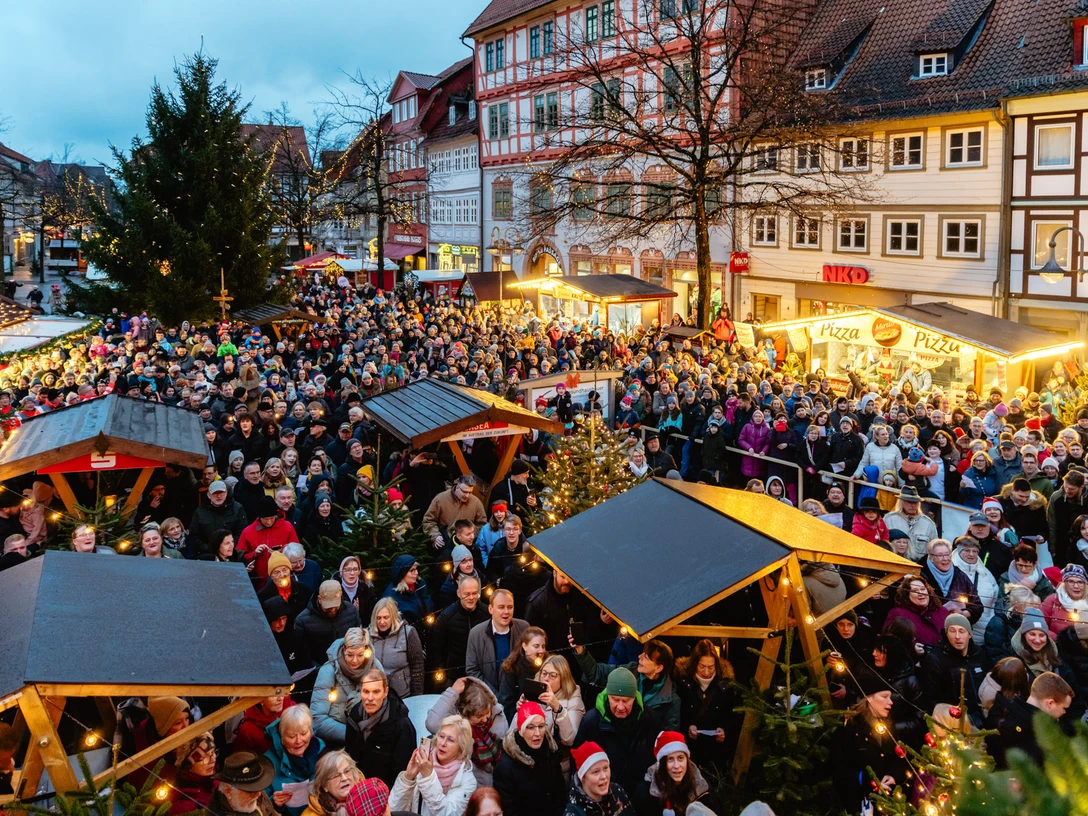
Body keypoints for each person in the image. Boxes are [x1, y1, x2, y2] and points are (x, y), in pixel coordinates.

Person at [574, 667, 664, 796]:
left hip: (642, 795)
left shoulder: (651, 720)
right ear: (607, 696)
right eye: (615, 700)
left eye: (626, 701)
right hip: (606, 795)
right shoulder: (591, 722)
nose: (620, 706)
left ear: (634, 697)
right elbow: (578, 765)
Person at [831, 676, 905, 815]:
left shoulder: (889, 726)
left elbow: (899, 757)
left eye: (890, 697)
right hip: (861, 804)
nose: (890, 702)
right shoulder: (851, 728)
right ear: (869, 698)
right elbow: (840, 771)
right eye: (884, 696)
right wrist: (868, 781)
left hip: (889, 803)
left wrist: (893, 774)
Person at [573, 637, 681, 730]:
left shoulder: (671, 700)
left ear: (658, 668)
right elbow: (597, 672)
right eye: (642, 653)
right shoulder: (630, 670)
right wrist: (580, 650)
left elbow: (669, 736)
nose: (639, 656)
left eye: (646, 657)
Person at [425, 676, 510, 786]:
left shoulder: (497, 714)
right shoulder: (458, 726)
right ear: (466, 715)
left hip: (497, 781)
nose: (485, 719)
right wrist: (452, 692)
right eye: (479, 716)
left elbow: (507, 747)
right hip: (468, 784)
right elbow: (432, 724)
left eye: (487, 713)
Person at [389, 715, 478, 816]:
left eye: (451, 740)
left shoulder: (467, 780)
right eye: (441, 736)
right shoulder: (424, 763)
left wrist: (428, 777)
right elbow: (393, 810)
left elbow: (449, 813)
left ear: (461, 747)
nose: (443, 743)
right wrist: (408, 778)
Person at [310, 628, 384, 747]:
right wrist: (354, 735)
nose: (355, 660)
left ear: (366, 650)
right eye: (350, 655)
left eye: (360, 655)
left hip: (371, 741)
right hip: (336, 745)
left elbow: (385, 705)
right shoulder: (328, 670)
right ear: (344, 649)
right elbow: (317, 719)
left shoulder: (375, 667)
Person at [344, 668, 416, 789]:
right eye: (366, 691)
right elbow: (350, 758)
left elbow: (403, 774)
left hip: (388, 794)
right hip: (359, 789)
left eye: (376, 692)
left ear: (385, 692)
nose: (370, 698)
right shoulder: (354, 716)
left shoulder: (401, 725)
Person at [493, 702, 566, 816]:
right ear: (521, 730)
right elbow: (509, 809)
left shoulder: (551, 752)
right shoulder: (506, 767)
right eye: (530, 727)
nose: (537, 733)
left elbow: (560, 792)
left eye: (541, 726)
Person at [988, 671, 1073, 769]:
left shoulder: (1002, 710)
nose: (1064, 712)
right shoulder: (1041, 736)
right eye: (1064, 708)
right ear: (1050, 703)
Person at [919, 614, 986, 724]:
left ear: (969, 634)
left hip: (979, 717)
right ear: (946, 633)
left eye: (961, 631)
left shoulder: (978, 653)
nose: (957, 636)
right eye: (952, 631)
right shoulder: (935, 659)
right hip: (952, 721)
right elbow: (931, 698)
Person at [634, 731, 720, 816]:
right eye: (670, 759)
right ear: (662, 764)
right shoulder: (647, 791)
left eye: (680, 758)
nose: (676, 766)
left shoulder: (701, 787)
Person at [430, 575, 489, 688]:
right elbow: (436, 648)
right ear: (459, 593)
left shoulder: (487, 613)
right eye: (467, 594)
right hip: (455, 675)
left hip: (482, 674)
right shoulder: (446, 617)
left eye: (474, 593)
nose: (471, 597)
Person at [264, 706, 324, 816]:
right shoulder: (268, 763)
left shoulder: (321, 750)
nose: (299, 741)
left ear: (311, 732)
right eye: (292, 736)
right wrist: (273, 802)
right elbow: (259, 804)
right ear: (282, 737)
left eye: (303, 733)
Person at [466, 589, 529, 692]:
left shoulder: (524, 628)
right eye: (501, 607)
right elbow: (472, 671)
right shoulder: (476, 634)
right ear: (491, 609)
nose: (506, 612)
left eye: (510, 607)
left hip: (519, 697)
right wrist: (492, 695)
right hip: (488, 699)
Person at [294, 580, 363, 667]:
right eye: (329, 607)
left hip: (349, 667)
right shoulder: (303, 621)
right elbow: (303, 656)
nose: (333, 609)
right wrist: (322, 670)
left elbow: (358, 640)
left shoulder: (351, 611)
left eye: (335, 606)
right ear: (319, 599)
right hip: (319, 671)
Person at [237, 495, 300, 589]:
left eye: (272, 518)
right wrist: (254, 554)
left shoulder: (287, 527)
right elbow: (238, 556)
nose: (269, 522)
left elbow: (297, 552)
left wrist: (282, 552)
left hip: (284, 578)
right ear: (259, 517)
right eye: (265, 519)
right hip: (258, 581)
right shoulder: (248, 531)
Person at [368, 596, 425, 699]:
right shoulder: (367, 636)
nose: (382, 622)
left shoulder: (408, 633)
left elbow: (417, 667)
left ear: (393, 616)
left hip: (403, 695)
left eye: (386, 617)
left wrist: (417, 696)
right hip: (375, 696)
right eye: (378, 618)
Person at [917, 539, 983, 625]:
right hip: (927, 627)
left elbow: (977, 605)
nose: (945, 559)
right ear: (931, 558)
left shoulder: (960, 575)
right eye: (940, 555)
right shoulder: (919, 576)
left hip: (956, 628)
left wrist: (963, 614)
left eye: (947, 554)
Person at [951, 535, 999, 645]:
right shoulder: (950, 571)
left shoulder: (985, 573)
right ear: (958, 551)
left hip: (983, 628)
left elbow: (995, 597)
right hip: (957, 627)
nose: (971, 554)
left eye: (974, 551)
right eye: (967, 550)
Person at [423, 475, 487, 554]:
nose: (467, 495)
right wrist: (435, 536)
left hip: (467, 547)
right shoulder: (440, 499)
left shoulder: (476, 502)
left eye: (470, 492)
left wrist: (470, 535)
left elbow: (482, 524)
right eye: (465, 492)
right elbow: (428, 521)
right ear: (457, 487)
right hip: (445, 544)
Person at [883, 575, 950, 649]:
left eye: (923, 589)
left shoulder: (942, 611)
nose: (921, 593)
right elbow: (889, 642)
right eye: (915, 590)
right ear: (907, 595)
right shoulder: (898, 614)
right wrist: (913, 646)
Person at [565, 742, 632, 816]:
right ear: (583, 777)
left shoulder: (616, 791)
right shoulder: (574, 813)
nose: (603, 776)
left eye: (605, 768)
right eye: (596, 772)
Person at [208, 751, 276, 816]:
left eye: (258, 787)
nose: (258, 794)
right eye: (250, 792)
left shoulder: (255, 795)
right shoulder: (216, 812)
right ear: (228, 792)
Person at [190, 479, 248, 555]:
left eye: (221, 492)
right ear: (208, 495)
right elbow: (194, 536)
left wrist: (228, 547)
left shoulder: (237, 508)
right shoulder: (200, 512)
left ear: (226, 493)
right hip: (207, 554)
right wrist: (209, 549)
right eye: (215, 493)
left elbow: (242, 532)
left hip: (232, 553)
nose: (218, 496)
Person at [883, 486, 938, 561]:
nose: (913, 505)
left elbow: (934, 550)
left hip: (918, 567)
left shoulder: (928, 524)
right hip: (893, 563)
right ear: (901, 502)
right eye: (909, 502)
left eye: (915, 502)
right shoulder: (889, 519)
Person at [169, 731, 219, 815]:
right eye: (204, 757)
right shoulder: (184, 806)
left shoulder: (218, 783)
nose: (212, 760)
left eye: (213, 752)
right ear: (188, 766)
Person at [300, 750, 363, 816]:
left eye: (347, 771)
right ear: (324, 785)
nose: (344, 778)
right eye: (336, 775)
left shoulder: (371, 798)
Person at [381, 554, 433, 627]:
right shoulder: (391, 597)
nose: (416, 573)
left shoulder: (420, 584)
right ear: (401, 573)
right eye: (412, 570)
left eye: (416, 569)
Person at [1012, 607, 1063, 678]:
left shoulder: (1056, 655)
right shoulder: (1012, 657)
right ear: (1024, 635)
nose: (1037, 640)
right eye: (1032, 634)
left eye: (1041, 635)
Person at [1042, 563, 1088, 638]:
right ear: (1064, 583)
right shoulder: (1053, 600)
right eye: (1071, 581)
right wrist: (1058, 640)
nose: (1076, 586)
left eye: (1080, 582)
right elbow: (1039, 624)